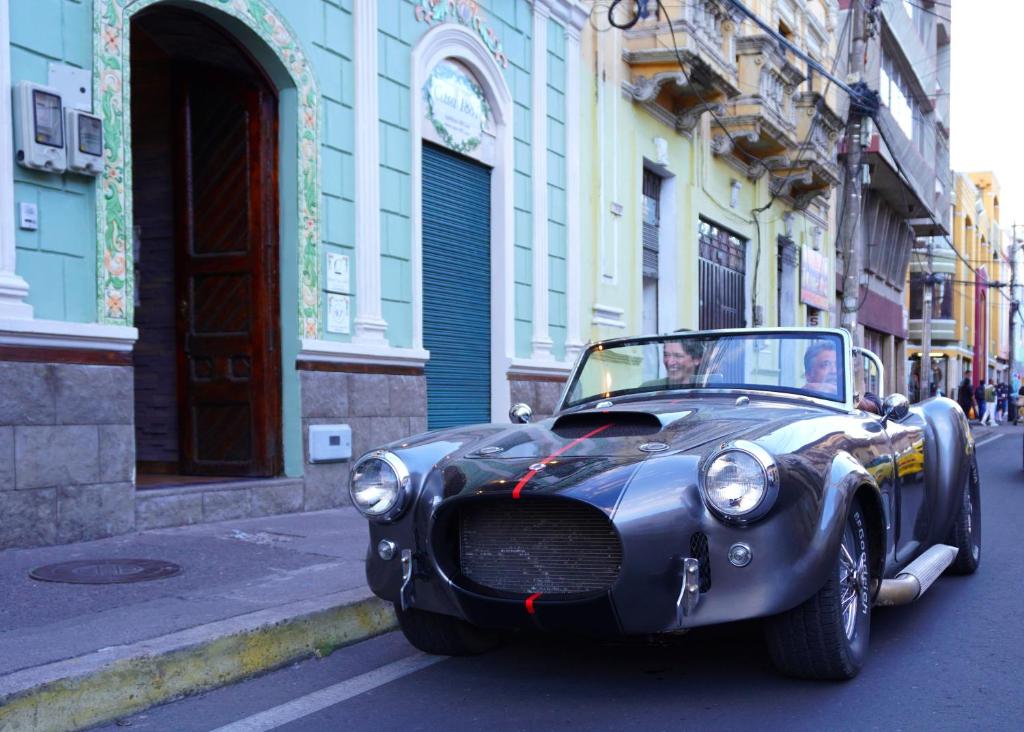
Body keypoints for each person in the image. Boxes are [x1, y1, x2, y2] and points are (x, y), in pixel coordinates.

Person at [802, 340, 880, 414]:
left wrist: (835, 392)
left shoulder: (867, 398)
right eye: (826, 364)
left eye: (838, 364)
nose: (834, 371)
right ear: (809, 375)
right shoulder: (798, 399)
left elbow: (872, 408)